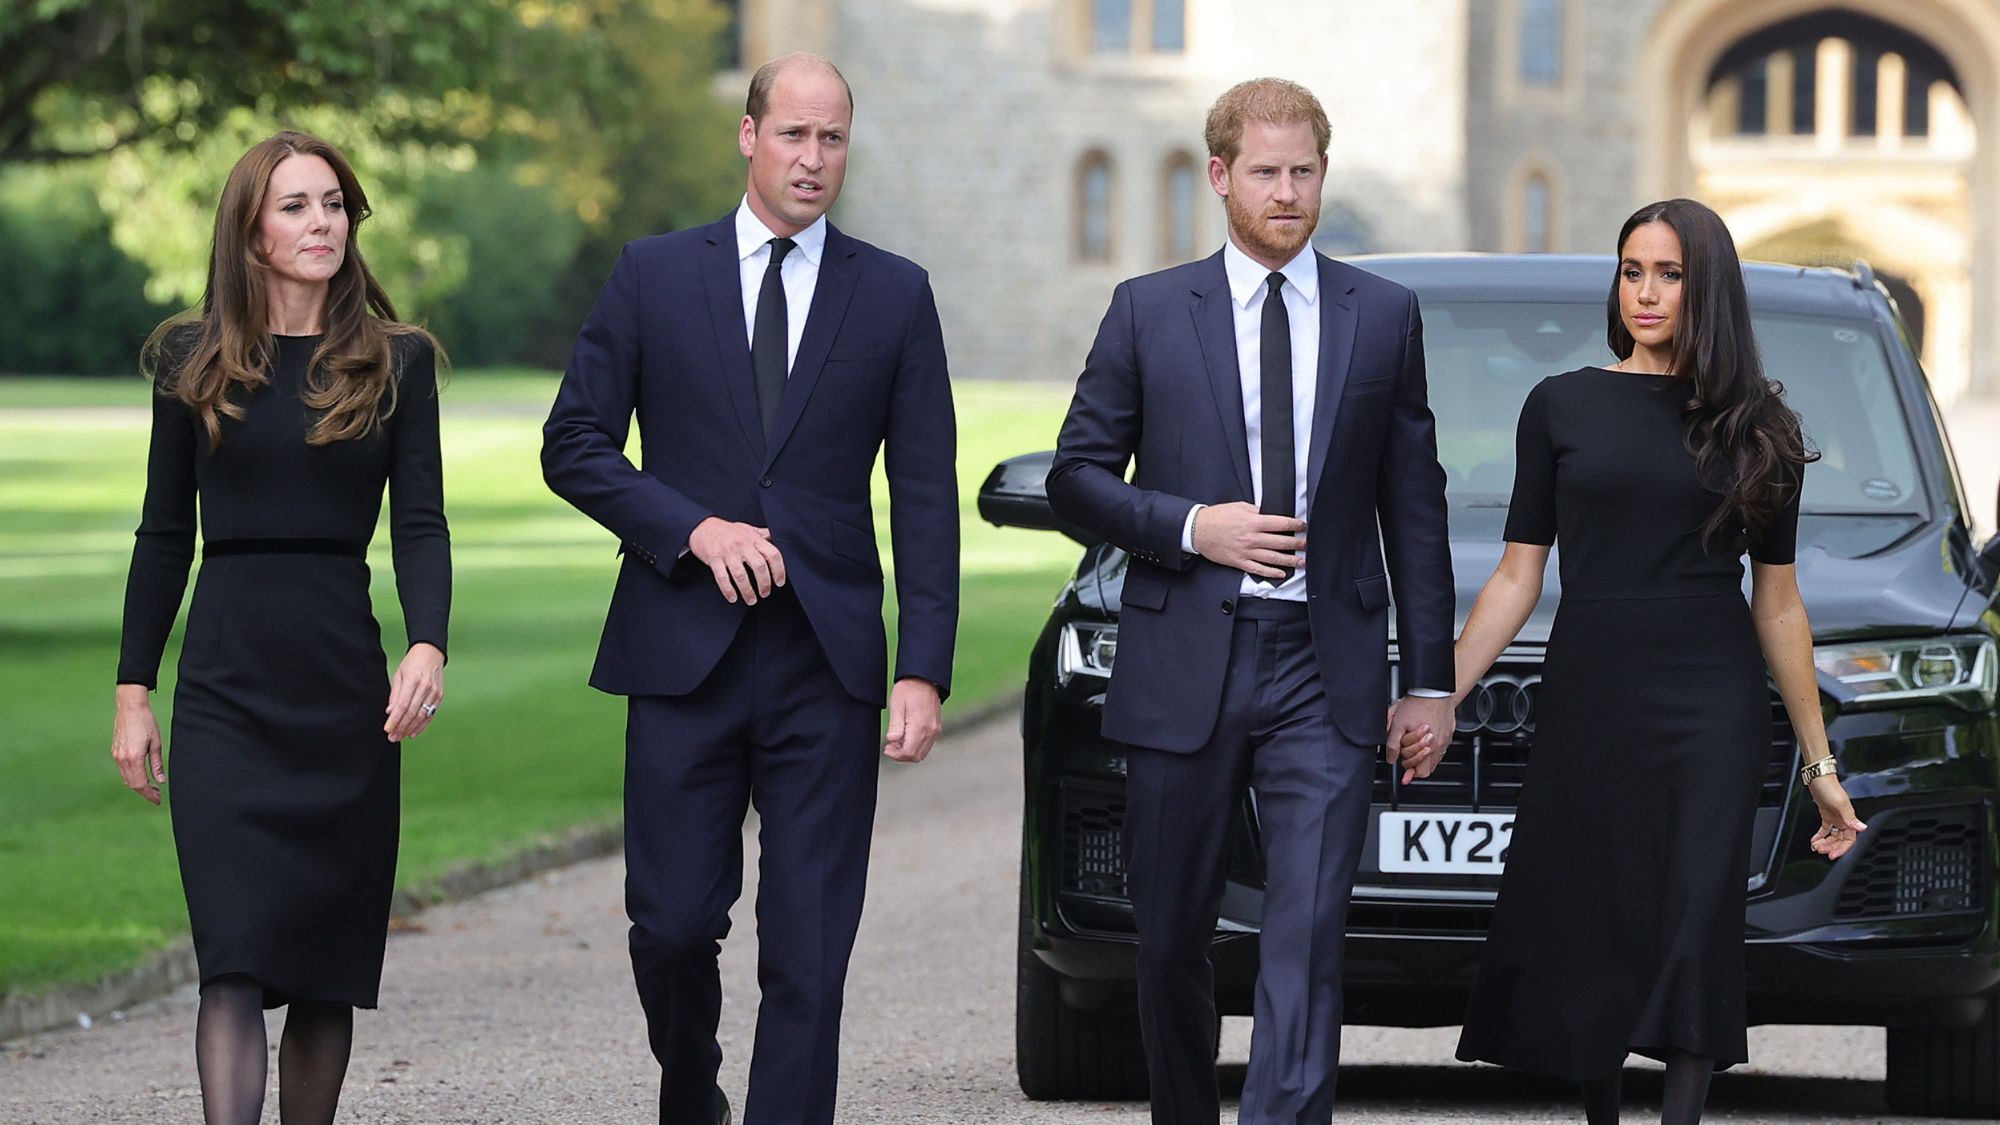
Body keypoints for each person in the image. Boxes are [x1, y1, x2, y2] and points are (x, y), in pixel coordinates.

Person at [541, 52, 958, 1125]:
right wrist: (689, 528)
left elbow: (922, 494)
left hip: (825, 664)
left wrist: (922, 667)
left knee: (809, 948)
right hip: (679, 651)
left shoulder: (895, 294)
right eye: (793, 135)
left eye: (831, 140)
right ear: (748, 135)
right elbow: (574, 444)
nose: (812, 159)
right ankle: (691, 1086)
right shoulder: (652, 274)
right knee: (673, 926)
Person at [1045, 77, 1456, 1123]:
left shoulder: (1381, 316)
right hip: (1184, 652)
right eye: (1265, 172)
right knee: (1171, 932)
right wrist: (1193, 528)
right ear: (1220, 176)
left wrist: (1428, 684)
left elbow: (1414, 508)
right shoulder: (1146, 310)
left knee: (1307, 927)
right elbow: (1076, 477)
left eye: (1303, 171)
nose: (1286, 192)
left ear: (1323, 172)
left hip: (1324, 667)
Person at [1433, 198, 1865, 1124]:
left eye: (1669, 273)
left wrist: (1821, 765)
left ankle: (1679, 1115)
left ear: (1707, 288)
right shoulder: (1560, 406)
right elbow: (1516, 576)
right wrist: (1440, 693)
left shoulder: (1763, 429)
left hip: (1711, 696)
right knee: (1596, 903)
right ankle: (1601, 1111)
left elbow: (1778, 600)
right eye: (1633, 270)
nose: (1647, 291)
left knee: (1695, 905)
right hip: (1593, 683)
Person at [110, 130, 450, 1125]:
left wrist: (426, 641)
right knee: (234, 960)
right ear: (250, 232)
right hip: (225, 688)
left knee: (324, 969)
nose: (322, 224)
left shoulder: (398, 362)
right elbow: (164, 532)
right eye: (296, 206)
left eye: (334, 204)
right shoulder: (189, 358)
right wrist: (135, 691)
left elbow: (420, 522)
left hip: (342, 688)